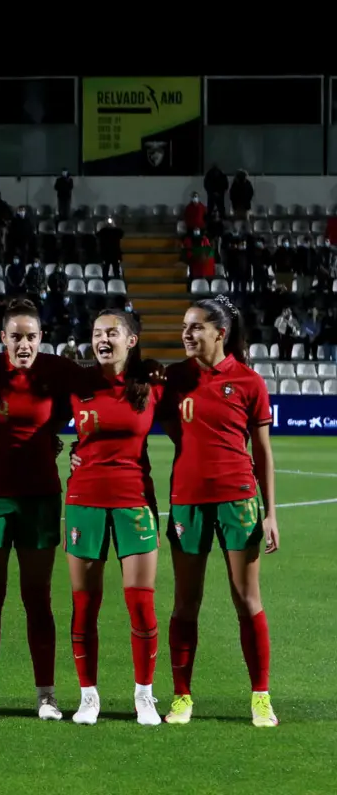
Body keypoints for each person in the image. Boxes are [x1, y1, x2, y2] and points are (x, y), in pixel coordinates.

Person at [159, 297, 279, 727]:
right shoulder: (174, 379)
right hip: (186, 501)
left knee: (246, 600)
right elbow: (159, 429)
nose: (187, 334)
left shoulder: (248, 382)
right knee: (185, 602)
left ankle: (261, 697)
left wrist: (270, 512)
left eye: (196, 328)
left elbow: (262, 452)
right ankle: (181, 697)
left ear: (219, 333)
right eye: (185, 327)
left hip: (238, 499)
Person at [0, 298, 80, 721]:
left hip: (39, 497)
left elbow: (100, 393)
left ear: (41, 339)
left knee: (38, 599)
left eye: (31, 336)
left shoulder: (57, 371)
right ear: (3, 339)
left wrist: (72, 441)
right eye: (15, 336)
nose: (24, 344)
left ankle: (46, 695)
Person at [63, 310, 161, 726]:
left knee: (140, 605)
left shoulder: (154, 384)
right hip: (84, 500)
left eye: (112, 333)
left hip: (134, 501)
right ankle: (88, 697)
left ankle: (144, 696)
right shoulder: (77, 383)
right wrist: (65, 446)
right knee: (85, 606)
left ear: (131, 341)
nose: (103, 339)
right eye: (97, 332)